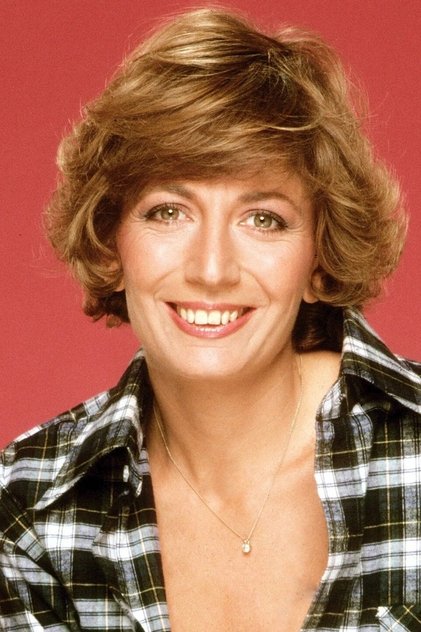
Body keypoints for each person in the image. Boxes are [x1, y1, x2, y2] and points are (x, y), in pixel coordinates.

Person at [1, 7, 420, 632]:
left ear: (319, 257)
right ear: (112, 243)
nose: (212, 268)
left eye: (263, 219)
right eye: (168, 212)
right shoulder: (28, 509)